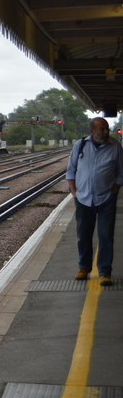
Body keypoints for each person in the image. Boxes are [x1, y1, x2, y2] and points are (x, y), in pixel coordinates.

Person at [65, 116, 123, 285]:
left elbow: (121, 171)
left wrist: (115, 189)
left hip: (106, 198)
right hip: (83, 199)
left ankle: (105, 272)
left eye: (106, 129)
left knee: (106, 236)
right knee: (83, 235)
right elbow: (71, 170)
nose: (105, 132)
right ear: (92, 131)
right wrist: (74, 192)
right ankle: (84, 267)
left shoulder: (115, 146)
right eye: (102, 129)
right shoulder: (80, 145)